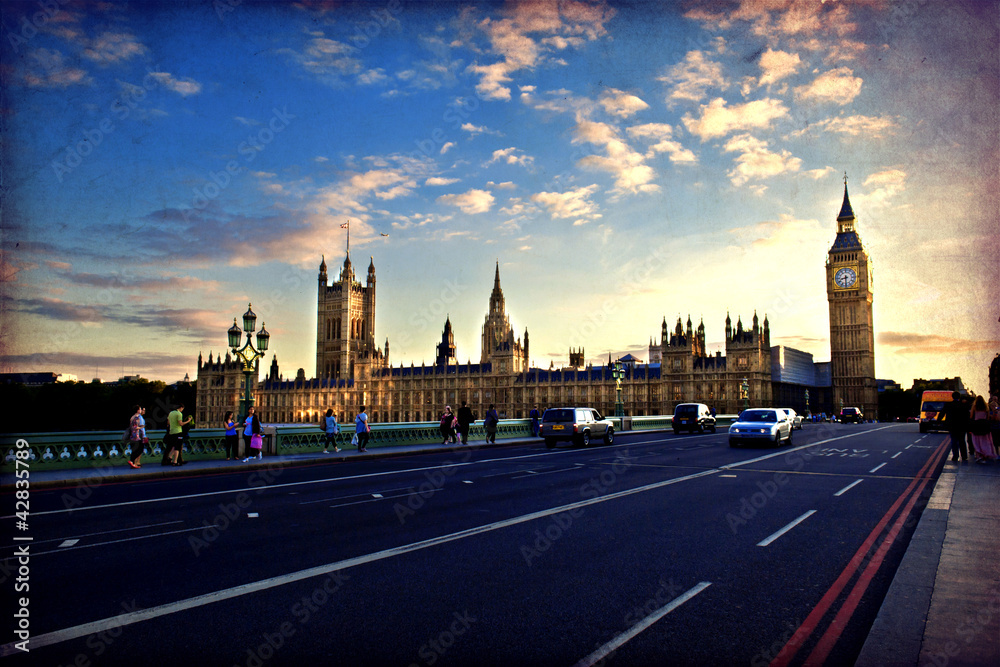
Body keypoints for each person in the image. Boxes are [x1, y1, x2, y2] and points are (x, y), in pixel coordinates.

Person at [968, 395, 997, 463]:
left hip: (976, 425)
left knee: (976, 441)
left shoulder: (974, 407)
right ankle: (985, 455)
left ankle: (979, 455)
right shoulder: (986, 407)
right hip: (984, 425)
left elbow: (971, 416)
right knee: (985, 440)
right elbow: (988, 417)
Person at [943, 392, 969, 462]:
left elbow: (942, 413)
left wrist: (939, 421)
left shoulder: (948, 405)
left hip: (952, 426)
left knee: (954, 441)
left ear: (952, 397)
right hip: (962, 426)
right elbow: (967, 416)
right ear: (959, 397)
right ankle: (964, 456)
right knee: (962, 441)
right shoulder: (963, 405)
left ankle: (955, 456)